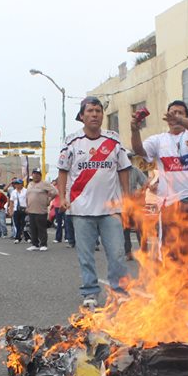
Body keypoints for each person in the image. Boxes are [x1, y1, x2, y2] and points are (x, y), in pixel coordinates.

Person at [58, 97, 131, 308]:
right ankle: (90, 292)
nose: (95, 114)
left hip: (111, 209)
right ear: (82, 116)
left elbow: (124, 169)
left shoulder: (113, 140)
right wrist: (63, 197)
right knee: (86, 256)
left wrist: (127, 196)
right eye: (90, 111)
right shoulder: (72, 142)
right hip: (81, 209)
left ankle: (119, 292)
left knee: (117, 254)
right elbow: (63, 171)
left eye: (98, 111)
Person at [130, 99, 188, 275]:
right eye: (172, 112)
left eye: (180, 113)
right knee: (170, 249)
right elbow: (139, 150)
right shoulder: (158, 140)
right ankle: (173, 286)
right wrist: (135, 130)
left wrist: (180, 121)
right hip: (169, 203)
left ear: (187, 117)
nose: (176, 115)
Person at [25, 168, 58, 251]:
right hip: (31, 209)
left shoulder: (45, 184)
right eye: (34, 174)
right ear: (32, 175)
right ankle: (34, 244)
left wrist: (49, 200)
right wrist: (27, 206)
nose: (36, 175)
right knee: (33, 228)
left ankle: (43, 244)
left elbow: (55, 192)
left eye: (38, 174)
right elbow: (27, 196)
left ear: (40, 175)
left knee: (41, 228)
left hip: (41, 210)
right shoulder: (30, 184)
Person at [8, 177, 28, 243]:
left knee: (23, 223)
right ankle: (24, 237)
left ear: (21, 184)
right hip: (16, 209)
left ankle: (18, 237)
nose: (16, 185)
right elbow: (11, 202)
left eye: (18, 183)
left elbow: (28, 200)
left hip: (24, 209)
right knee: (17, 224)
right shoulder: (13, 192)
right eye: (15, 184)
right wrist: (11, 210)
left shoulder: (26, 191)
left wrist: (28, 208)